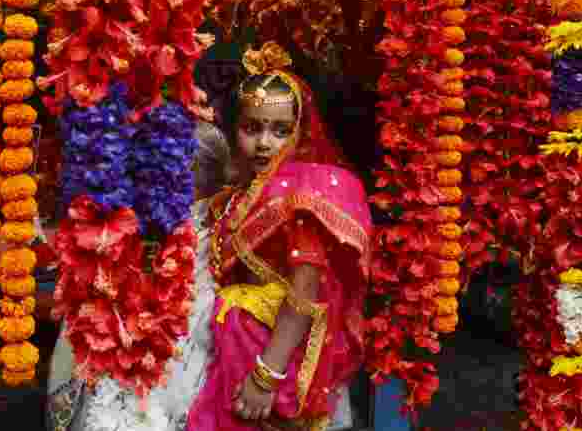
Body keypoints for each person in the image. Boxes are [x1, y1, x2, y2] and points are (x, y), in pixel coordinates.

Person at [46, 42, 370, 431]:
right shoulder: (230, 201)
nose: (265, 143)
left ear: (299, 136)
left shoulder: (299, 201)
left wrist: (266, 376)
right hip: (223, 346)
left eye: (280, 131)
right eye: (253, 128)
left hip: (265, 358)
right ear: (235, 131)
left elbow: (305, 291)